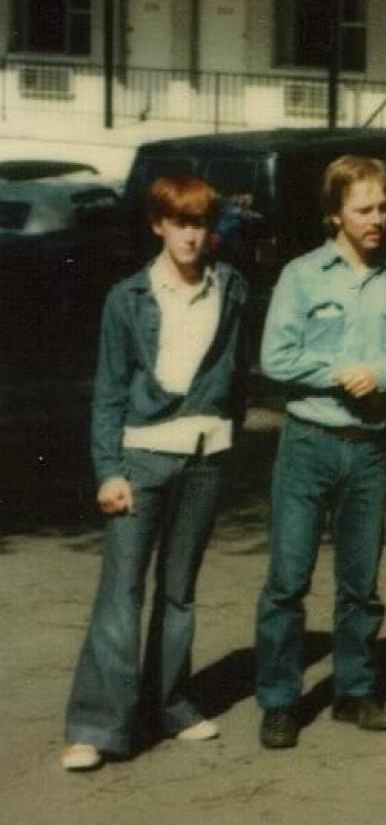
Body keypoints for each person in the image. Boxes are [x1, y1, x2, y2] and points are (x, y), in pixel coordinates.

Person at [63, 175, 248, 771]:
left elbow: (236, 375)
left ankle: (169, 704)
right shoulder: (129, 297)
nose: (191, 236)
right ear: (158, 225)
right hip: (140, 460)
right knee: (121, 593)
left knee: (179, 591)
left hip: (204, 459)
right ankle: (95, 726)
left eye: (200, 223)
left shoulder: (231, 287)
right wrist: (108, 471)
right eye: (180, 223)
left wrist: (228, 439)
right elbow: (109, 392)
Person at [254, 155, 386, 749]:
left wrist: (379, 373)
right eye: (363, 209)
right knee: (288, 579)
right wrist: (342, 373)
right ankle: (280, 700)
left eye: (383, 207)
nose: (377, 219)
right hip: (308, 444)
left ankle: (355, 690)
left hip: (369, 450)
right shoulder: (302, 276)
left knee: (361, 581)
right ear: (335, 214)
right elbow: (276, 358)